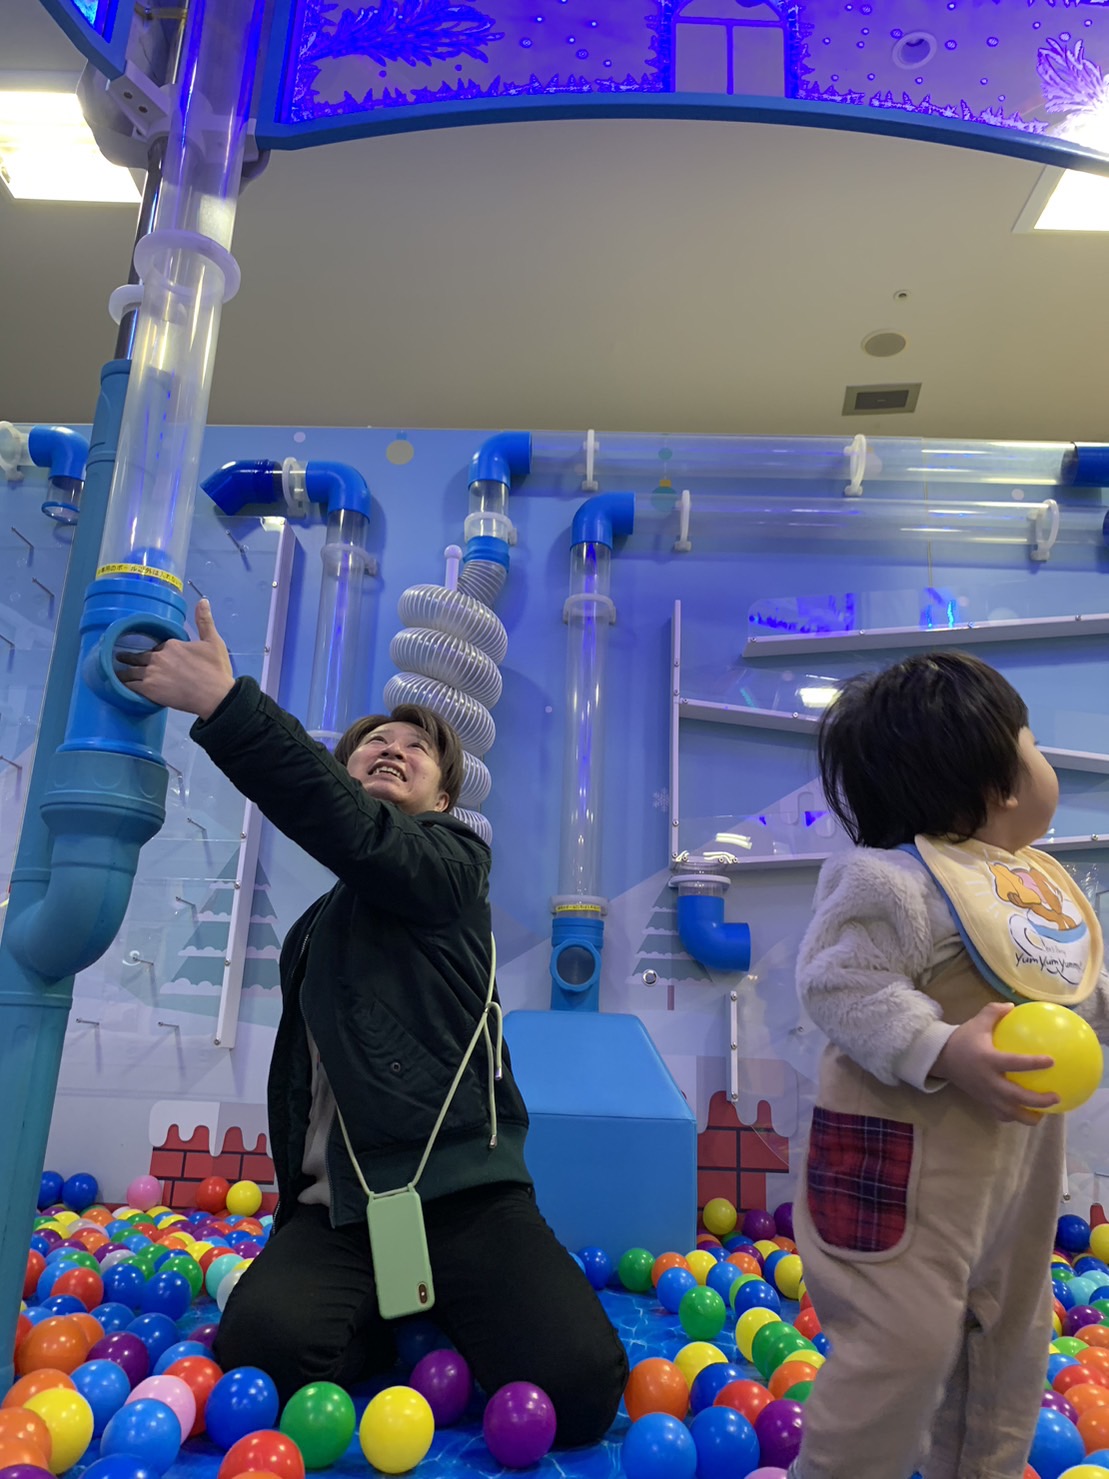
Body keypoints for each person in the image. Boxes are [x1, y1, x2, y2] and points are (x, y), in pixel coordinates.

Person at [119, 600, 628, 1444]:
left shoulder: (454, 867)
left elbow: (363, 838)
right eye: (373, 743)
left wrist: (227, 704)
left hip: (463, 1193)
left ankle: (431, 1303)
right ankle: (404, 1313)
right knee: (262, 1349)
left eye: (417, 748)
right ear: (345, 772)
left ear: (443, 798)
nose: (393, 748)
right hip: (343, 1208)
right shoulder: (313, 930)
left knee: (576, 1389)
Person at [789, 651, 1109, 1479]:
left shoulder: (1029, 891)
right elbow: (835, 980)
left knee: (1009, 1343)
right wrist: (941, 1044)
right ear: (999, 783)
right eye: (1032, 743)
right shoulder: (893, 883)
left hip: (1011, 1185)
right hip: (898, 1180)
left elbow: (1080, 996)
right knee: (903, 1346)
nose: (1043, 761)